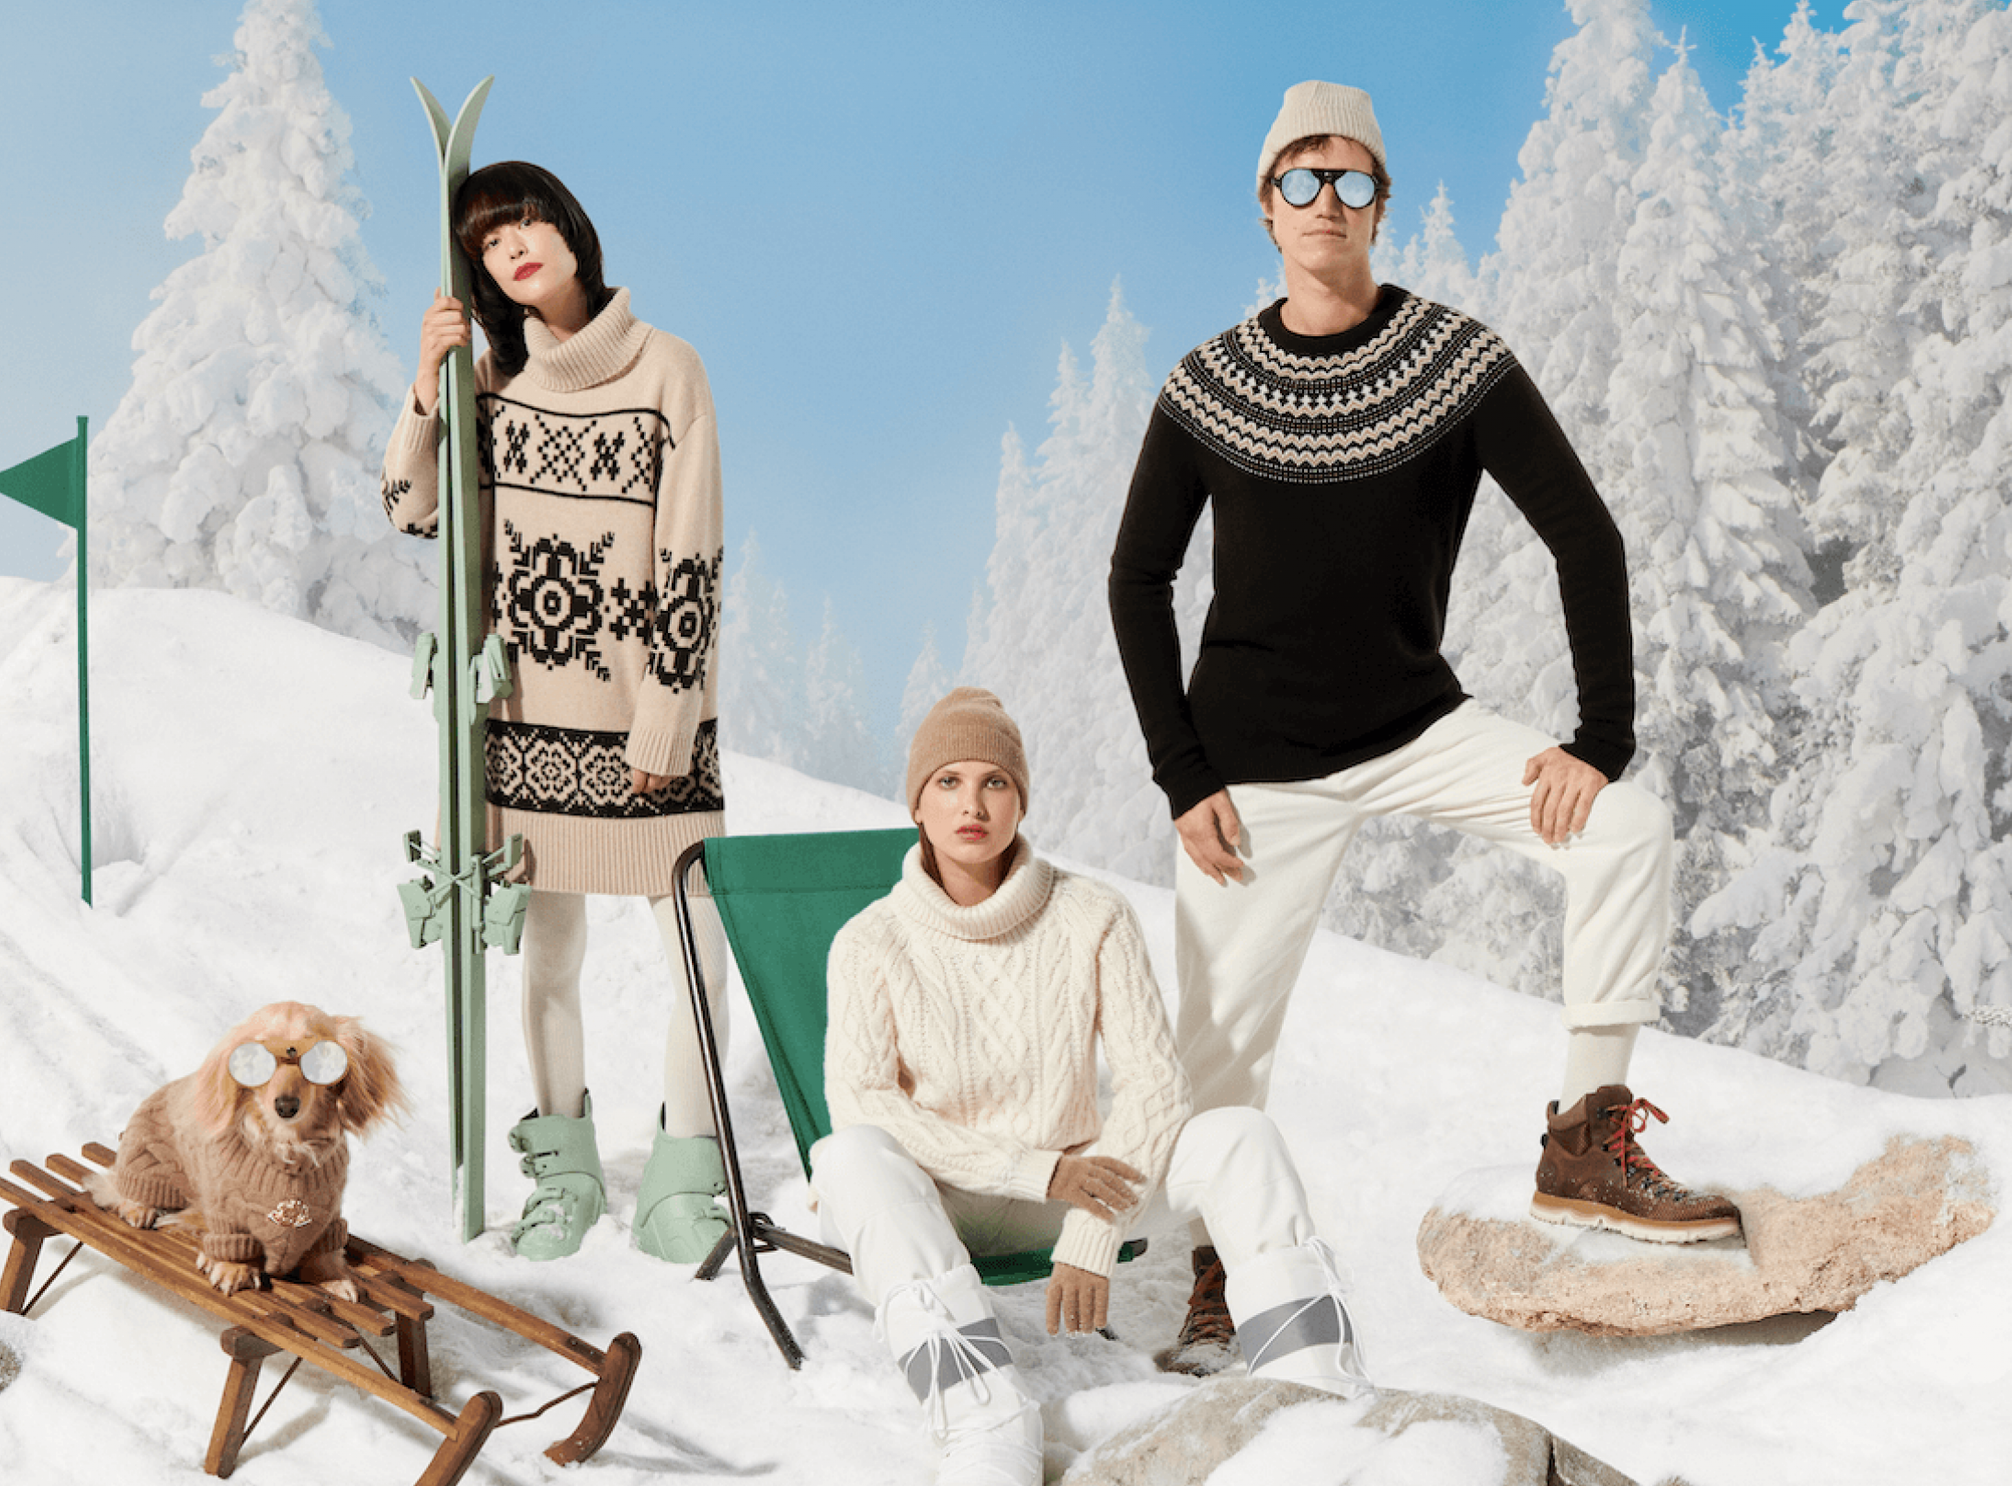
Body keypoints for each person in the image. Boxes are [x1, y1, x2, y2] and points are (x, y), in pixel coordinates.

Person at [1108, 82, 1742, 1372]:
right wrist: (1181, 772)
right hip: (1252, 771)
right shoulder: (1206, 386)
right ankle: (1217, 1279)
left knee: (1624, 830)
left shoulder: (1454, 362)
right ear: (1265, 207)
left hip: (1415, 726)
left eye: (1350, 181)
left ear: (1380, 205)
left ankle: (1585, 1142)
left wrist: (1598, 740)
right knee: (1218, 1058)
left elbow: (1585, 534)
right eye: (1300, 180)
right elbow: (1136, 579)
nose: (1325, 203)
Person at [815, 688, 1366, 1486]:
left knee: (1239, 1136)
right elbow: (865, 1103)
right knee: (848, 1154)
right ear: (917, 805)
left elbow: (1157, 1087)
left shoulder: (1091, 913)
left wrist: (1090, 1228)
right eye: (948, 782)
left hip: (1075, 1193)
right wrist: (1036, 1171)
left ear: (1021, 800)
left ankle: (1322, 1406)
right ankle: (986, 1428)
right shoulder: (869, 942)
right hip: (941, 1200)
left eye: (995, 782)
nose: (973, 804)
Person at [381, 160, 734, 1265]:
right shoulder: (490, 385)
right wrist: (426, 386)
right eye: (489, 244)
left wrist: (667, 716)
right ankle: (566, 1174)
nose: (514, 248)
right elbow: (410, 511)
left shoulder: (669, 369)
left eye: (526, 222)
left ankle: (685, 1177)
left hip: (651, 726)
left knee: (698, 950)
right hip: (525, 724)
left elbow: (692, 554)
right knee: (548, 955)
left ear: (571, 227)